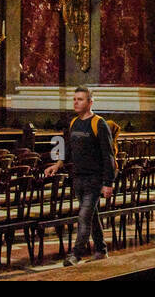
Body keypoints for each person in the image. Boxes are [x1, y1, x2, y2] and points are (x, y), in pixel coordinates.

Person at [44, 86, 116, 266]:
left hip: (94, 179)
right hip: (78, 178)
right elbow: (68, 149)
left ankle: (76, 254)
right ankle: (101, 249)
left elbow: (108, 156)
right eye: (74, 99)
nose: (76, 102)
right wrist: (58, 164)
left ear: (90, 102)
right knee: (91, 215)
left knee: (84, 216)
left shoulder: (99, 123)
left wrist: (108, 183)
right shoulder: (73, 123)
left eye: (80, 99)